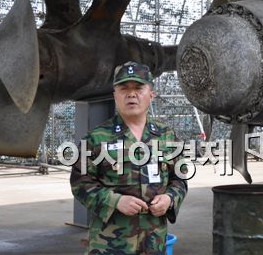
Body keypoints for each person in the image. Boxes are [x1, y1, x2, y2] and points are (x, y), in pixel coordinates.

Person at [70, 61, 188, 255]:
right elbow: (80, 183)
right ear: (115, 95)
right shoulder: (97, 138)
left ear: (151, 94)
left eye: (139, 88)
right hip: (109, 245)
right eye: (124, 88)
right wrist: (115, 201)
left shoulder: (167, 136)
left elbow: (180, 179)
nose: (131, 94)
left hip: (153, 242)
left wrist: (169, 198)